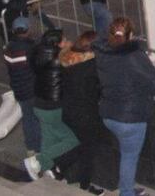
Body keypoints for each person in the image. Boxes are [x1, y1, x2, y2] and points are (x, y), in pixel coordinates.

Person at [94, 18, 155, 196]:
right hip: (130, 118)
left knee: (125, 153)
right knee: (129, 157)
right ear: (131, 35)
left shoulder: (102, 53)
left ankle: (127, 187)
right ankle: (126, 192)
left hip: (108, 114)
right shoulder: (134, 57)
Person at [31, 28, 83, 181]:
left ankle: (47, 169)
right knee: (72, 140)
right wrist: (70, 48)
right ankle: (38, 160)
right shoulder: (60, 59)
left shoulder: (37, 55)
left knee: (48, 138)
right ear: (58, 44)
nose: (67, 41)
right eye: (64, 40)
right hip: (53, 107)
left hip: (38, 103)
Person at [60, 31, 107, 194]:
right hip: (85, 114)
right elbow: (99, 90)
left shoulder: (65, 61)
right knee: (88, 149)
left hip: (68, 111)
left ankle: (57, 168)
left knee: (76, 144)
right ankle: (84, 184)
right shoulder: (90, 67)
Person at [4, 17, 42, 180]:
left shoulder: (8, 48)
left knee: (27, 118)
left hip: (19, 89)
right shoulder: (30, 48)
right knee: (38, 118)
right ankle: (39, 149)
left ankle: (31, 147)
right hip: (32, 89)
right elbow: (38, 66)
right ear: (27, 30)